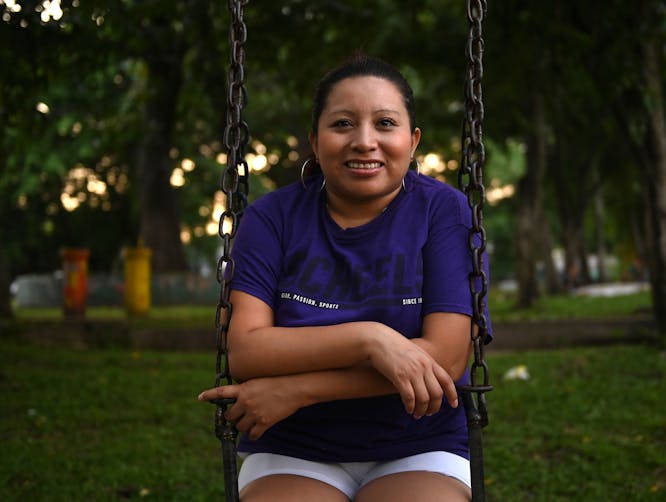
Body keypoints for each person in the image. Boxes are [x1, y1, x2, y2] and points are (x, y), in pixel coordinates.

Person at [198, 54, 490, 502]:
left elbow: (445, 361)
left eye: (386, 124)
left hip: (420, 443)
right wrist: (372, 340)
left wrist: (298, 389)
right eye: (343, 125)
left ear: (412, 141)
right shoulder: (270, 219)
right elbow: (246, 349)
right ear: (315, 141)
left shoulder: (444, 213)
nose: (364, 141)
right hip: (293, 447)